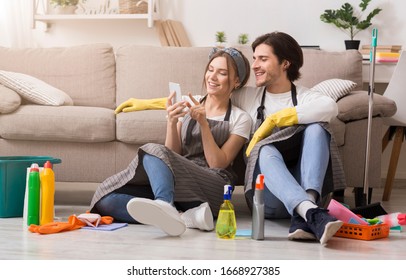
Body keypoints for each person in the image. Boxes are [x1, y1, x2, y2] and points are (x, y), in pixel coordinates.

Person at [89, 47, 252, 236]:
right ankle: (181, 217)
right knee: (105, 199)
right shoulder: (189, 103)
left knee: (151, 149)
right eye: (210, 70)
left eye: (222, 73)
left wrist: (204, 124)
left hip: (214, 187)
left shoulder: (241, 118)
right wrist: (172, 121)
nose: (212, 77)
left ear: (236, 81)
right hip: (179, 181)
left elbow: (218, 163)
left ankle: (165, 205)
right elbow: (170, 154)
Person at [231, 32, 346, 245]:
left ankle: (306, 210)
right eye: (254, 58)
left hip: (306, 188)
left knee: (317, 129)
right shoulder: (246, 96)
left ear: (285, 63)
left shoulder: (305, 96)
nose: (254, 65)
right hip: (267, 198)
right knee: (265, 149)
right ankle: (313, 213)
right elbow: (210, 99)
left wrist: (276, 119)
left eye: (263, 59)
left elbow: (331, 107)